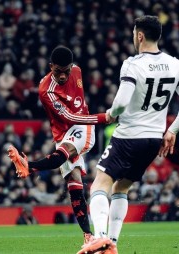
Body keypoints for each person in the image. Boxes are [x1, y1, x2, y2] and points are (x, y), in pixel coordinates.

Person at [77, 15, 179, 254]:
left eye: (134, 33)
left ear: (140, 35)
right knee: (121, 189)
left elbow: (121, 103)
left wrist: (111, 113)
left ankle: (100, 238)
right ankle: (112, 244)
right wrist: (172, 130)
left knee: (99, 185)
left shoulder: (133, 64)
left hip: (129, 135)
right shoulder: (175, 64)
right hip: (154, 139)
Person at [8, 46, 111, 245]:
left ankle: (29, 166)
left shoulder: (78, 72)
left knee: (63, 155)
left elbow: (76, 116)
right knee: (74, 182)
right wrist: (104, 117)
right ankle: (88, 236)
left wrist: (95, 119)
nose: (63, 76)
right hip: (63, 130)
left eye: (66, 71)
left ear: (71, 66)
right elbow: (67, 116)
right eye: (58, 71)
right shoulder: (46, 89)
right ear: (50, 67)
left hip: (83, 125)